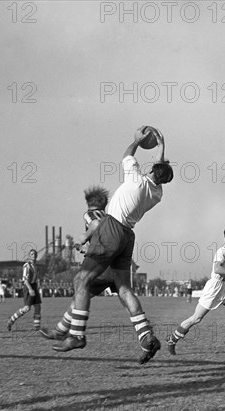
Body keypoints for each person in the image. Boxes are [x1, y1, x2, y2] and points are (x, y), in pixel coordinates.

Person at [51, 127, 173, 365]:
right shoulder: (157, 193)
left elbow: (127, 156)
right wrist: (161, 147)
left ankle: (76, 335)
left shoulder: (136, 179)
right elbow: (160, 172)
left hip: (111, 229)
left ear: (150, 170)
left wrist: (136, 141)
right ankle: (146, 336)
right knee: (124, 289)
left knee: (81, 281)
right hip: (128, 237)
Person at [40, 185, 118, 342]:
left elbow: (96, 225)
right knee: (81, 295)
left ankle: (74, 335)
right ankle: (61, 330)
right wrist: (85, 250)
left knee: (80, 287)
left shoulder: (90, 214)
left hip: (102, 263)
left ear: (89, 202)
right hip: (114, 262)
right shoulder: (110, 216)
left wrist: (84, 238)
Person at [166, 226, 225, 355]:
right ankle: (172, 339)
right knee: (196, 319)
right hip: (213, 288)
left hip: (223, 288)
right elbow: (217, 269)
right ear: (224, 238)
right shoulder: (222, 251)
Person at [6, 249, 42, 331]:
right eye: (32, 254)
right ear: (29, 256)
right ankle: (11, 320)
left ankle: (37, 328)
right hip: (28, 286)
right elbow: (25, 280)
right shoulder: (27, 265)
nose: (34, 255)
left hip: (34, 286)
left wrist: (36, 287)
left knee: (38, 307)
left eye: (35, 254)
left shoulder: (36, 266)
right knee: (26, 308)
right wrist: (30, 289)